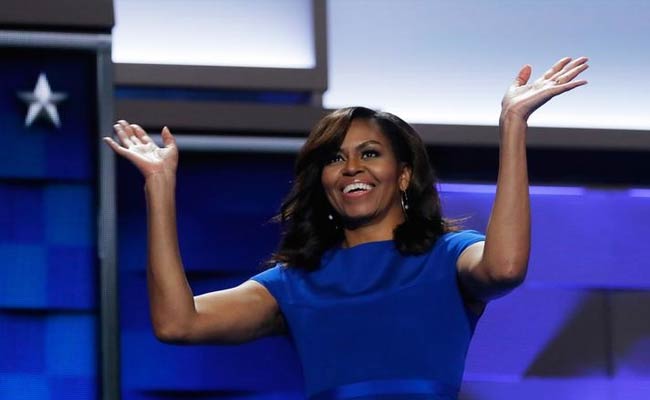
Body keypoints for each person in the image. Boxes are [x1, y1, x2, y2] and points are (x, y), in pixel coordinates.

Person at [104, 56, 589, 400]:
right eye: (335, 158)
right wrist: (160, 188)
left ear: (403, 175)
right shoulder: (295, 282)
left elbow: (504, 267)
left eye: (370, 153)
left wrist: (512, 124)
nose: (352, 167)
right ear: (323, 181)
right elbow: (177, 323)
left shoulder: (447, 256)